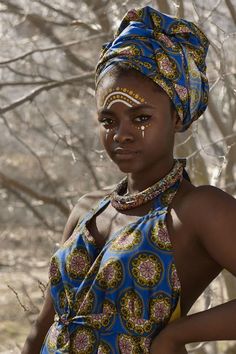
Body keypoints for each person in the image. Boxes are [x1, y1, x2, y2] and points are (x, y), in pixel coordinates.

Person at [22, 6, 236, 354]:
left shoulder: (196, 210)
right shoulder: (86, 211)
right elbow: (39, 331)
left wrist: (176, 335)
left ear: (178, 117)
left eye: (141, 118)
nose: (121, 134)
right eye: (108, 121)